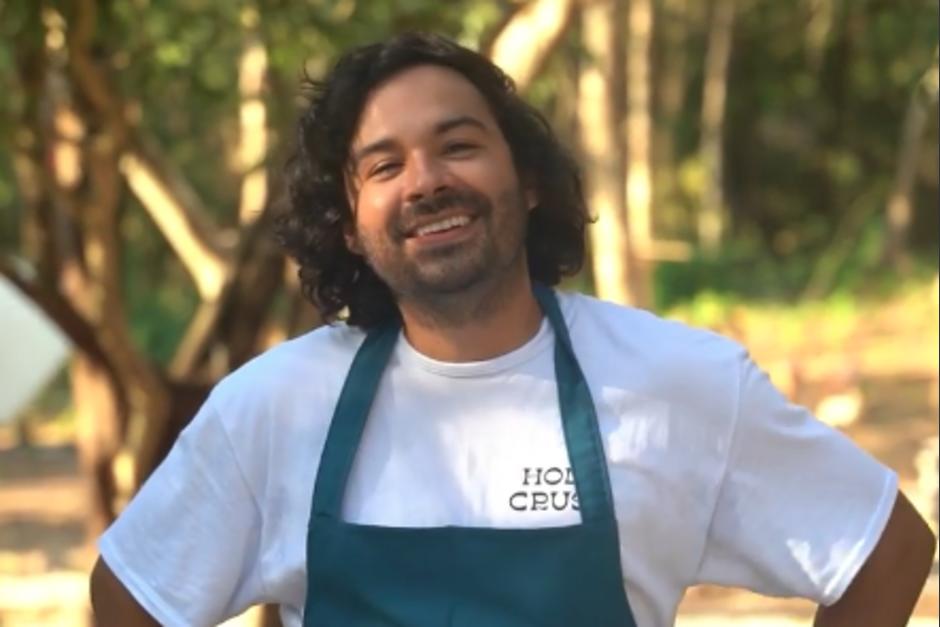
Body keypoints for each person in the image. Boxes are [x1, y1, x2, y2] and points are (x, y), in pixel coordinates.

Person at [90, 32, 936, 627]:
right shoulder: (277, 406)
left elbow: (884, 546)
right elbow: (132, 593)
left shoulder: (676, 381)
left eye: (458, 145)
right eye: (384, 165)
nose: (425, 181)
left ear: (528, 180)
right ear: (349, 224)